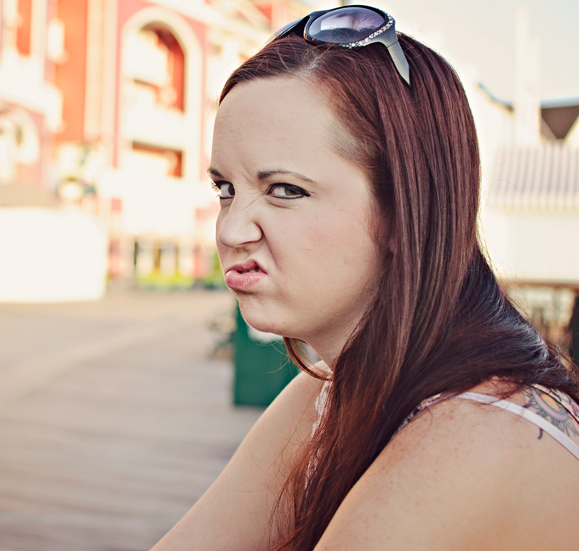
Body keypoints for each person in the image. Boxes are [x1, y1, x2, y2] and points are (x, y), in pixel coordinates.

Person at [151, 5, 579, 551]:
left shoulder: (475, 432)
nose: (233, 229)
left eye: (286, 190)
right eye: (225, 188)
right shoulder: (334, 387)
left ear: (407, 211)